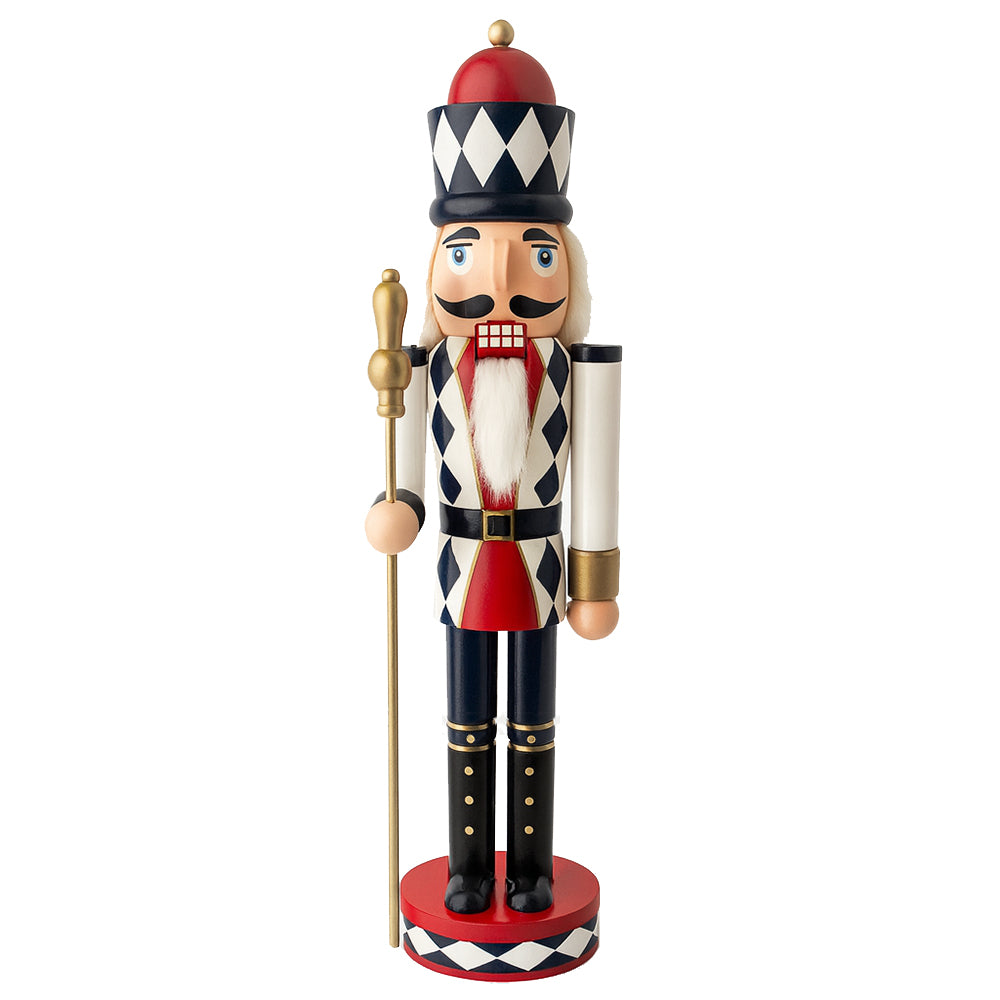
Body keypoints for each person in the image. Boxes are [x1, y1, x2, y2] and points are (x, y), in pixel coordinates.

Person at [366, 20, 621, 916]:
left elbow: (597, 485)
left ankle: (532, 866)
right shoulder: (427, 366)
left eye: (536, 253)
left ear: (566, 267)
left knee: (536, 718)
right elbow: (404, 456)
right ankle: (470, 865)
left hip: (543, 559)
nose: (503, 277)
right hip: (462, 556)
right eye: (470, 250)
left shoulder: (580, 371)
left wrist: (595, 581)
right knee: (467, 713)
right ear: (439, 260)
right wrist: (397, 504)